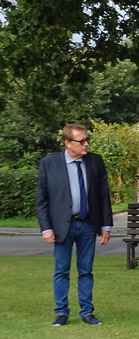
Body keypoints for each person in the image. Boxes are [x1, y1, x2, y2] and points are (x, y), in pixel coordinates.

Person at [36, 124, 113, 326]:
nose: (86, 144)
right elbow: (42, 200)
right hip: (62, 227)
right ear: (67, 143)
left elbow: (104, 195)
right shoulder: (49, 163)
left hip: (88, 225)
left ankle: (87, 313)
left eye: (87, 140)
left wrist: (106, 226)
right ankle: (61, 313)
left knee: (86, 270)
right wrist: (46, 228)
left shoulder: (95, 162)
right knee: (61, 270)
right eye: (81, 141)